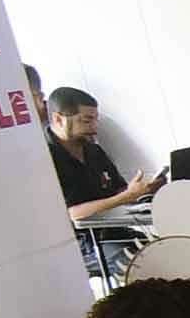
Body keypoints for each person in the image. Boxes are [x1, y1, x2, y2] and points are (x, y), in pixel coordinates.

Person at [48, 88, 160, 221]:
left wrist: (142, 191)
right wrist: (126, 196)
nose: (95, 127)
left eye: (96, 120)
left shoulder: (94, 150)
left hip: (116, 226)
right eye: (86, 121)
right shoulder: (45, 158)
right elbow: (70, 214)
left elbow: (118, 190)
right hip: (83, 237)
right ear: (59, 119)